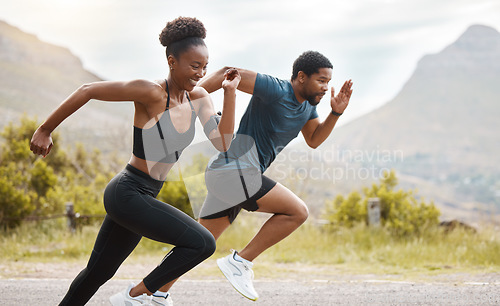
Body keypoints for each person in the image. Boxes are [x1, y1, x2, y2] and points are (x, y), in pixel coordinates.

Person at [29, 17, 241, 306]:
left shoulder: (200, 98)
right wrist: (45, 129)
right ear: (172, 61)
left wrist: (229, 94)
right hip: (127, 191)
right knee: (203, 243)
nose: (200, 73)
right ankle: (136, 296)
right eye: (194, 66)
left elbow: (223, 142)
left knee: (98, 272)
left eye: (205, 66)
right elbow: (87, 90)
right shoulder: (150, 92)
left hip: (146, 195)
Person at [155, 50, 353, 301]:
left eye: (328, 82)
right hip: (234, 173)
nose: (326, 88)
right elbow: (228, 72)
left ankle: (149, 293)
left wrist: (335, 113)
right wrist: (183, 102)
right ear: (301, 77)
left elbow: (314, 140)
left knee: (198, 245)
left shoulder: (307, 109)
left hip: (233, 177)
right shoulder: (276, 89)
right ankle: (240, 262)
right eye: (321, 81)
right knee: (297, 212)